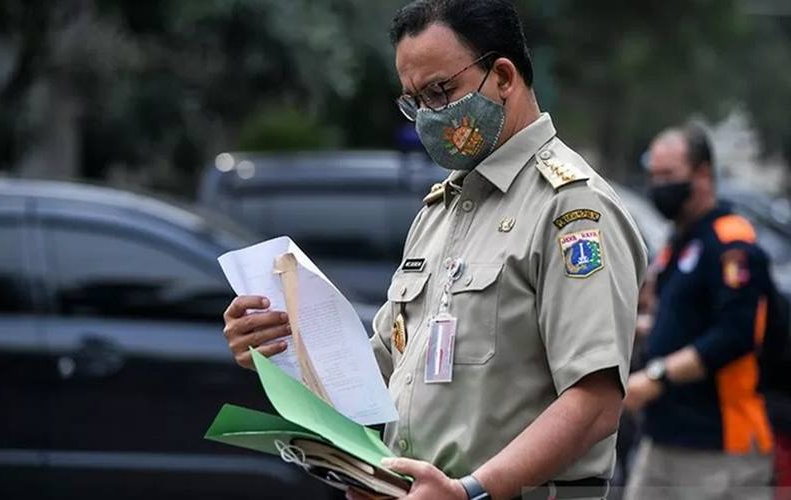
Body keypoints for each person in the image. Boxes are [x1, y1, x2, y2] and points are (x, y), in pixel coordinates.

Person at [223, 1, 647, 498]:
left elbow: (595, 402)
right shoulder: (441, 210)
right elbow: (378, 375)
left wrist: (470, 491)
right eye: (414, 101)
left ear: (504, 77)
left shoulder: (572, 207)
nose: (428, 115)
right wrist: (277, 352)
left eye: (440, 92)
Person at [623, 124, 775, 500]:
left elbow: (736, 335)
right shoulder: (678, 243)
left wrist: (655, 376)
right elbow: (677, 325)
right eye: (654, 176)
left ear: (703, 173)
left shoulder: (730, 243)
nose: (658, 186)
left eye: (669, 176)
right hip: (663, 437)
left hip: (718, 445)